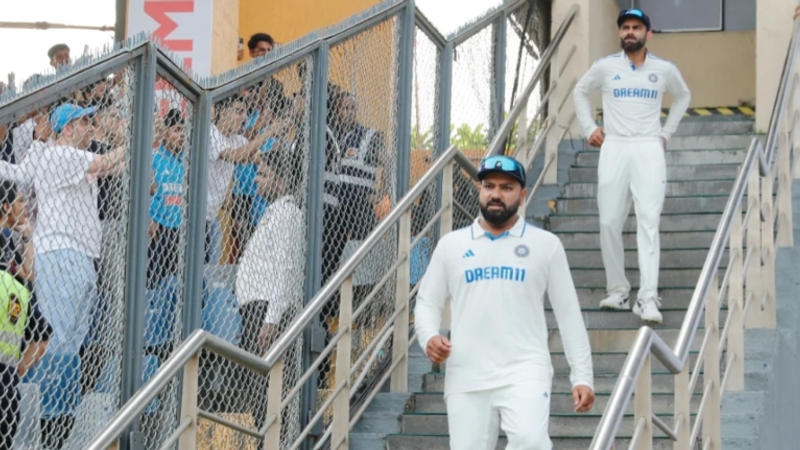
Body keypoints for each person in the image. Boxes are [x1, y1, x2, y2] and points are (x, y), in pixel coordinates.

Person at [414, 155, 594, 450]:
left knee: (531, 442)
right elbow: (427, 303)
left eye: (507, 187)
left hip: (525, 370)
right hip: (466, 374)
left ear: (522, 195)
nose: (496, 194)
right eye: (489, 186)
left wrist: (583, 376)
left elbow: (569, 314)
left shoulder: (546, 246)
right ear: (480, 190)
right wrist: (429, 337)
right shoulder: (452, 245)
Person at [0, 103, 125, 447]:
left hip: (77, 258)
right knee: (56, 346)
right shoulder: (59, 155)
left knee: (69, 347)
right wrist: (139, 137)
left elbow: (112, 165)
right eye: (85, 120)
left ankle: (54, 427)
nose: (91, 126)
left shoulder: (68, 157)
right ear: (67, 127)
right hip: (61, 257)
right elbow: (107, 162)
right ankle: (44, 428)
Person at [573, 8, 691, 323]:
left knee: (648, 222)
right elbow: (580, 91)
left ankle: (647, 298)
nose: (630, 32)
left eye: (636, 27)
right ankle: (618, 290)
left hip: (648, 148)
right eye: (625, 27)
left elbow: (683, 96)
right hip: (614, 147)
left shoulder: (664, 69)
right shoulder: (605, 66)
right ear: (619, 32)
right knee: (609, 221)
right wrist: (589, 128)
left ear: (648, 34)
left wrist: (666, 133)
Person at [234, 149, 304, 447]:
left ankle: (272, 442)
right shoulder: (273, 211)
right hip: (256, 309)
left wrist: (271, 319)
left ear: (279, 177)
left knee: (265, 387)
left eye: (263, 174)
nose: (257, 180)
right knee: (256, 386)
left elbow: (286, 267)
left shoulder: (287, 213)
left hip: (265, 312)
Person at [0, 181, 52, 450]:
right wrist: (13, 373)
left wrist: (27, 236)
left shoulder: (9, 242)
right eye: (20, 200)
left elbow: (30, 277)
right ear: (6, 207)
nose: (26, 205)